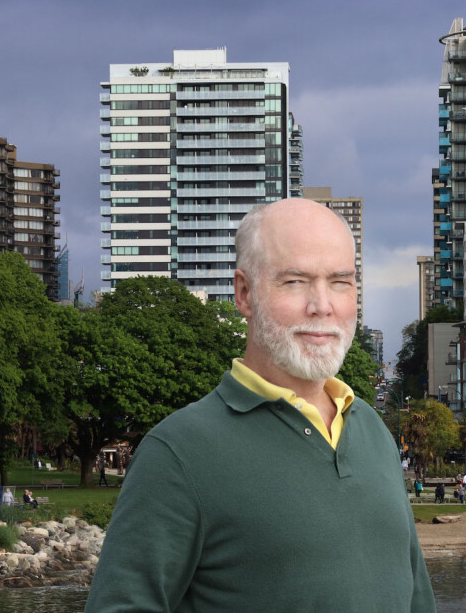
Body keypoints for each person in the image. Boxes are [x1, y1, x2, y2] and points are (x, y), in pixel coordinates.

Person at [86, 200, 435, 612]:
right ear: (244, 293)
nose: (322, 305)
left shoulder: (373, 431)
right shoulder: (178, 453)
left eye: (340, 282)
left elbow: (417, 601)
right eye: (294, 281)